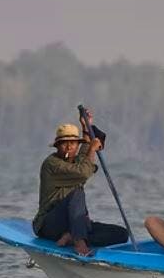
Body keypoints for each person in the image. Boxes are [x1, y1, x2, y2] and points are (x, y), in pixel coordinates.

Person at [31, 109, 128, 256]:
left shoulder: (76, 160)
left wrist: (86, 127)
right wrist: (93, 149)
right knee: (77, 192)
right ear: (57, 146)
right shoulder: (52, 163)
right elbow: (83, 172)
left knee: (121, 234)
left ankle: (72, 236)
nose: (69, 147)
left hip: (73, 224)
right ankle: (79, 241)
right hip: (49, 224)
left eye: (73, 143)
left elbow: (83, 158)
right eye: (64, 144)